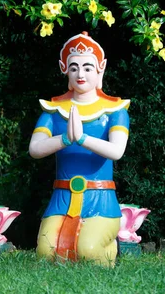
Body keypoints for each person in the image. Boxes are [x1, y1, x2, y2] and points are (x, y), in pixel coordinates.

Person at [29, 32, 129, 267]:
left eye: (87, 67)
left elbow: (116, 151)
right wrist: (65, 139)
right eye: (74, 68)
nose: (80, 74)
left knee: (88, 250)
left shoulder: (115, 111)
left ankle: (109, 249)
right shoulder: (53, 111)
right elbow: (35, 149)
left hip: (100, 198)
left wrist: (82, 138)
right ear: (65, 69)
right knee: (46, 252)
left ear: (100, 69)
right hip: (62, 197)